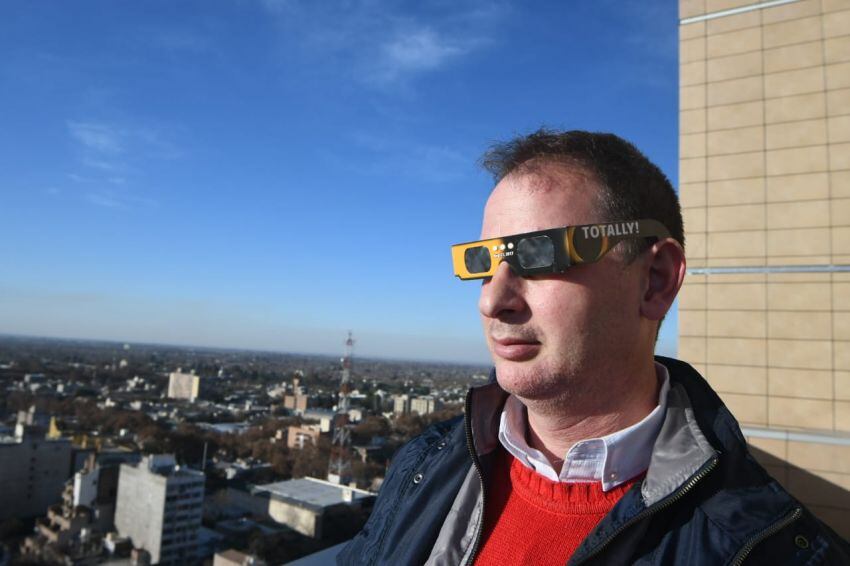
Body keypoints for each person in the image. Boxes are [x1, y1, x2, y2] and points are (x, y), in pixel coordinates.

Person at [337, 129, 850, 565]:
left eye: (540, 255)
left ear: (654, 280)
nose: (492, 300)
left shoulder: (763, 547)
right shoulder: (425, 467)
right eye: (481, 263)